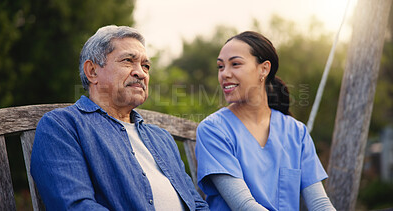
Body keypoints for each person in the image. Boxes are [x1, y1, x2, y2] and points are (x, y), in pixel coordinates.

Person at [30, 25, 209, 211]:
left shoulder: (162, 138)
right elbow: (76, 206)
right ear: (92, 71)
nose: (140, 72)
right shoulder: (63, 126)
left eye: (145, 66)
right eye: (128, 61)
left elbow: (196, 204)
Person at [195, 31, 335, 211]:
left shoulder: (296, 132)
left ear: (264, 69)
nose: (225, 74)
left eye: (235, 64)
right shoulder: (213, 130)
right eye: (221, 67)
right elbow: (244, 206)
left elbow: (319, 204)